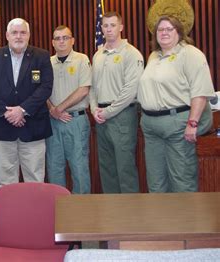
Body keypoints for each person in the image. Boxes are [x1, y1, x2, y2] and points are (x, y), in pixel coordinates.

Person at [138, 16, 214, 192]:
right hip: (151, 127)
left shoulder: (190, 54)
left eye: (169, 29)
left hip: (178, 125)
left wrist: (192, 123)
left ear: (179, 32)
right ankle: (160, 219)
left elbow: (200, 91)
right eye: (160, 29)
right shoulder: (154, 56)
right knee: (155, 181)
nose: (164, 32)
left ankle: (184, 219)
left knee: (181, 179)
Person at [0, 18, 53, 186]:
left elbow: (46, 88)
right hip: (3, 127)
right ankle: (10, 213)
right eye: (14, 32)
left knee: (35, 178)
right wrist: (6, 112)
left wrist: (22, 110)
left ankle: (35, 213)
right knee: (6, 180)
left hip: (33, 127)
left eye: (23, 32)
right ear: (7, 35)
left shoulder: (41, 56)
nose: (19, 36)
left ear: (29, 35)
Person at [89, 11, 144, 193]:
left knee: (125, 168)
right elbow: (93, 87)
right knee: (107, 168)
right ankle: (112, 213)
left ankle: (130, 215)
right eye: (105, 26)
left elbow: (130, 90)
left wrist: (108, 112)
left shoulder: (131, 53)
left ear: (121, 27)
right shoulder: (98, 55)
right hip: (101, 117)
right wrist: (94, 108)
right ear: (101, 29)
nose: (109, 29)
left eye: (113, 25)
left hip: (122, 116)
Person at [46, 25, 92, 194]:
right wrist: (52, 109)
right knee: (54, 167)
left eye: (65, 37)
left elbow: (83, 90)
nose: (61, 41)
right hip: (53, 122)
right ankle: (59, 210)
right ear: (52, 42)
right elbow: (41, 91)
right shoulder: (47, 63)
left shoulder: (82, 59)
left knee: (79, 167)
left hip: (76, 121)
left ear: (72, 40)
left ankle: (81, 212)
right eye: (57, 38)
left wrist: (59, 108)